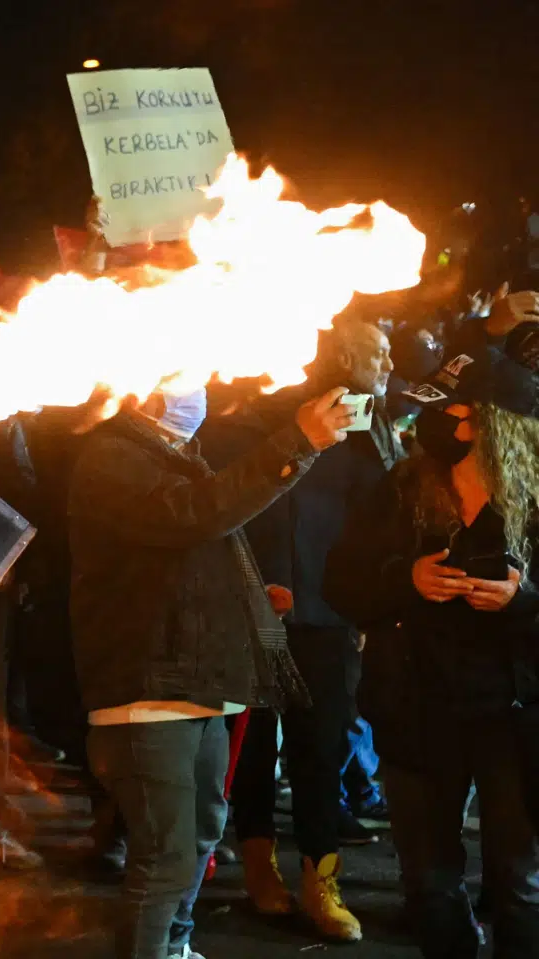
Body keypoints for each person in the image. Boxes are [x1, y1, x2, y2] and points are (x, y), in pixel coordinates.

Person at [67, 381, 352, 959]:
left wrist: (241, 597)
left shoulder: (176, 457)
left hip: (197, 688)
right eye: (182, 375)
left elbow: (191, 546)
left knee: (197, 840)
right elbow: (193, 516)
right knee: (164, 857)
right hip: (147, 695)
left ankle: (176, 946)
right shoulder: (110, 456)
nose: (195, 391)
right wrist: (295, 442)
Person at [327, 343, 539, 959]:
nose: (432, 422)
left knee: (519, 887)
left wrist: (523, 599)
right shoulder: (404, 486)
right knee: (430, 884)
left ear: (488, 421)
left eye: (452, 410)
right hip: (418, 713)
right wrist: (407, 580)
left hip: (515, 722)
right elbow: (340, 581)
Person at [215, 319, 400, 942]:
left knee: (321, 748)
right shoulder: (262, 410)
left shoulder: (368, 428)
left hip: (331, 614)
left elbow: (377, 524)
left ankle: (321, 877)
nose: (388, 362)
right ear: (341, 353)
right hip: (258, 609)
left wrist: (368, 605)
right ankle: (259, 863)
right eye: (377, 352)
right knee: (254, 738)